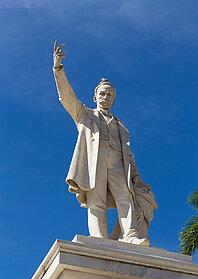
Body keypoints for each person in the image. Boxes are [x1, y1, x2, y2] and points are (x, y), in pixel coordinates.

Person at [53, 40, 158, 246]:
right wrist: (58, 69)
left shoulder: (122, 127)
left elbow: (130, 155)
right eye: (102, 93)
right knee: (96, 200)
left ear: (114, 100)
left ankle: (130, 235)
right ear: (95, 96)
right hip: (95, 159)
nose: (105, 96)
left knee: (125, 196)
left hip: (117, 160)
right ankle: (99, 239)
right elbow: (67, 97)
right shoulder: (85, 114)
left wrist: (136, 177)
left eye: (109, 94)